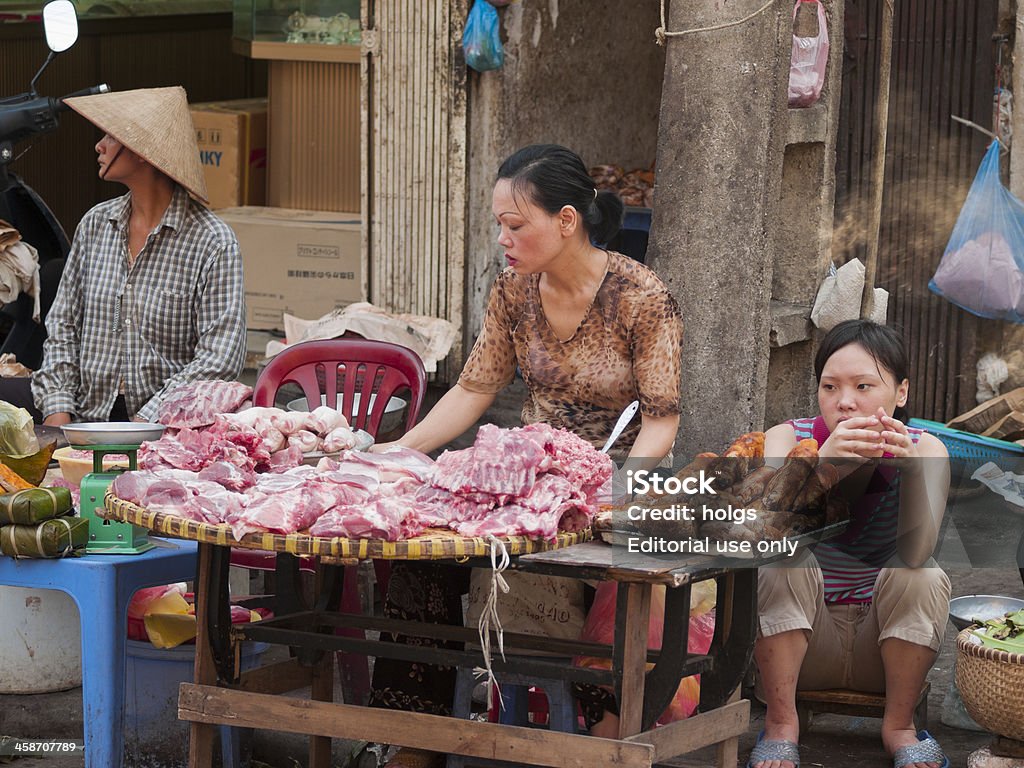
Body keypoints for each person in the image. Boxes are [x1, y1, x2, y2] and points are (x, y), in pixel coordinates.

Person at [368, 144, 683, 766]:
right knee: (419, 553)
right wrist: (396, 453)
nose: (505, 240)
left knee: (590, 581)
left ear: (567, 220)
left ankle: (586, 736)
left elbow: (661, 420)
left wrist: (617, 491)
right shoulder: (514, 290)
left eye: (516, 225)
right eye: (500, 227)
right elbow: (475, 388)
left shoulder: (640, 295)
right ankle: (417, 738)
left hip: (618, 482)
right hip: (524, 477)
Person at [750, 320, 951, 768]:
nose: (844, 402)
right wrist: (826, 468)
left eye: (864, 386)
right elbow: (769, 533)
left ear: (900, 393)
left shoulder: (927, 449)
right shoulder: (789, 439)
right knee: (784, 560)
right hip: (802, 645)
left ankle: (898, 727)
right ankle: (781, 724)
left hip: (885, 650)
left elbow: (917, 551)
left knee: (923, 572)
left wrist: (913, 472)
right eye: (830, 386)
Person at [14, 86, 245, 425]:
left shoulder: (213, 243)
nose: (99, 145)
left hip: (168, 426)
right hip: (86, 413)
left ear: (141, 151)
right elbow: (63, 326)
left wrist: (144, 422)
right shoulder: (96, 225)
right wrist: (59, 410)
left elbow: (219, 359)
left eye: (110, 136)